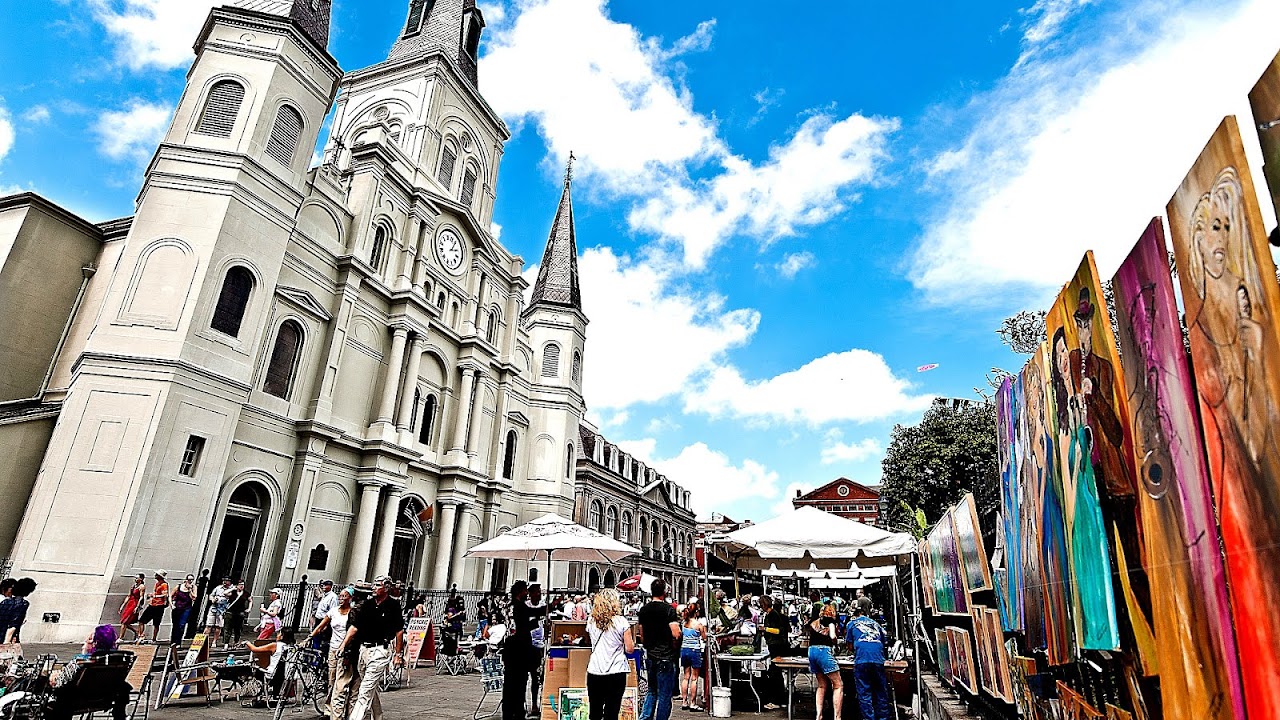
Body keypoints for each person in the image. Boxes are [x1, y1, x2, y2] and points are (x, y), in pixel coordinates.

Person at [338, 575, 405, 720]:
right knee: (369, 686)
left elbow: (399, 631)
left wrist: (398, 655)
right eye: (374, 585)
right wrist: (343, 645)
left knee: (364, 690)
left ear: (386, 588)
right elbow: (355, 627)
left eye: (377, 585)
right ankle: (378, 716)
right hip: (364, 650)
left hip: (380, 650)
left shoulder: (393, 605)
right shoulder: (367, 605)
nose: (374, 588)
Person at [45, 625, 131, 720]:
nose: (86, 640)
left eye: (90, 639)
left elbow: (59, 683)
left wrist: (53, 676)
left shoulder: (82, 661)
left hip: (76, 699)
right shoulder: (116, 661)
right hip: (105, 695)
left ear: (95, 643)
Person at [587, 589, 635, 720]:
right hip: (616, 670)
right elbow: (630, 649)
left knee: (595, 711)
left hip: (595, 670)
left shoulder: (591, 621)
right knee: (612, 712)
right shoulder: (621, 622)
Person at [502, 580, 547, 720]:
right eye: (525, 590)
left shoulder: (510, 606)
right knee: (519, 682)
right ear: (520, 591)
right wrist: (551, 606)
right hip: (518, 650)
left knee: (511, 683)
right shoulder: (519, 606)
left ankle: (512, 710)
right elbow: (525, 625)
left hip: (510, 649)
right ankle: (516, 711)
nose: (527, 593)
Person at [636, 579, 680, 720]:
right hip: (666, 656)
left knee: (651, 691)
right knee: (664, 695)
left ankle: (645, 717)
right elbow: (676, 633)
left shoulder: (644, 610)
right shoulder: (669, 610)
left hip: (651, 655)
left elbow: (641, 635)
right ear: (664, 592)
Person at [309, 586, 354, 720]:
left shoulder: (352, 613)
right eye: (340, 596)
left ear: (350, 598)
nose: (341, 599)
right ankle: (329, 709)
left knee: (343, 682)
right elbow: (321, 625)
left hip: (346, 649)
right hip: (333, 649)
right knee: (332, 679)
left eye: (344, 596)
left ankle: (341, 709)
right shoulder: (333, 611)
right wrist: (310, 637)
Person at [846, 606, 890, 720]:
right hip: (878, 659)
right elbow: (884, 642)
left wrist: (856, 651)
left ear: (855, 615)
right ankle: (883, 718)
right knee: (881, 691)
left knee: (864, 692)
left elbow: (850, 645)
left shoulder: (852, 623)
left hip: (862, 660)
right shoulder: (876, 624)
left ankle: (869, 718)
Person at [807, 603, 843, 720]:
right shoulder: (830, 622)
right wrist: (836, 644)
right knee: (838, 685)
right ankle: (837, 717)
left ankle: (819, 715)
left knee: (822, 685)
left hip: (811, 651)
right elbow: (832, 636)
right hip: (823, 651)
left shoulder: (815, 622)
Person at [759, 595, 790, 711]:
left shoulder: (773, 615)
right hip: (774, 645)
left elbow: (778, 631)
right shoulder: (771, 614)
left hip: (777, 645)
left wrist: (765, 629)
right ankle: (780, 700)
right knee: (776, 673)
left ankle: (777, 700)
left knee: (775, 673)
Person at [246, 629, 296, 699]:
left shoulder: (275, 646)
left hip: (273, 676)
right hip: (289, 676)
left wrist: (247, 643)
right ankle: (276, 693)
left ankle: (260, 692)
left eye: (279, 633)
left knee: (256, 671)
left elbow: (255, 649)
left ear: (282, 636)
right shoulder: (295, 647)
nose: (277, 635)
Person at [679, 600, 706, 712]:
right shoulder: (699, 625)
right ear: (696, 612)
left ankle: (684, 701)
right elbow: (705, 638)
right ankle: (693, 703)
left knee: (686, 677)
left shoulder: (684, 623)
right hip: (695, 651)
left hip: (684, 650)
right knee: (694, 678)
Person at [0, 578, 37, 643]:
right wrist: (7, 642)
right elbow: (13, 624)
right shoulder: (23, 604)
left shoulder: (5, 601)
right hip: (7, 637)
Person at [137, 571, 168, 644]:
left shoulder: (164, 584)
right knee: (142, 620)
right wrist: (152, 596)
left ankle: (154, 639)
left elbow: (165, 595)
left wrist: (154, 596)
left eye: (157, 575)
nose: (155, 575)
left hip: (159, 606)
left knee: (156, 623)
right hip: (152, 604)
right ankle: (141, 636)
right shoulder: (157, 584)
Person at [204, 577, 233, 648]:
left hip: (222, 610)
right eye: (224, 580)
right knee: (208, 625)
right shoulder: (218, 588)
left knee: (218, 626)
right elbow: (211, 595)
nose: (224, 582)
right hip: (214, 607)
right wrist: (212, 599)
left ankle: (214, 641)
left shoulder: (232, 589)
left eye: (226, 581)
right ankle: (204, 641)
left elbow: (228, 595)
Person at [169, 574, 196, 646]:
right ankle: (173, 641)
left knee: (182, 625)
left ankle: (178, 642)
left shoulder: (193, 587)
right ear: (186, 580)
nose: (190, 581)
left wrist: (190, 590)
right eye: (189, 579)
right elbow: (170, 595)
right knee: (175, 625)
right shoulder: (179, 586)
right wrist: (172, 605)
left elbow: (194, 598)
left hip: (186, 608)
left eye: (192, 580)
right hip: (177, 607)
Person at [119, 573, 146, 643]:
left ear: (141, 579)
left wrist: (137, 606)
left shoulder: (141, 587)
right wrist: (122, 605)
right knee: (124, 621)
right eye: (135, 578)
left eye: (137, 578)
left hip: (134, 604)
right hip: (130, 603)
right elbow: (128, 596)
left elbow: (141, 597)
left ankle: (121, 637)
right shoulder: (133, 586)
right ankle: (136, 631)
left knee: (124, 621)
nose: (135, 579)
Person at [226, 581, 249, 645]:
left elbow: (250, 600)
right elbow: (225, 593)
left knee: (238, 628)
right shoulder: (233, 592)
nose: (242, 586)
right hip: (231, 611)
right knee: (228, 628)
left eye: (243, 585)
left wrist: (249, 608)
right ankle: (226, 643)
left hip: (240, 612)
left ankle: (236, 641)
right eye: (240, 584)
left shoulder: (245, 593)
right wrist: (232, 588)